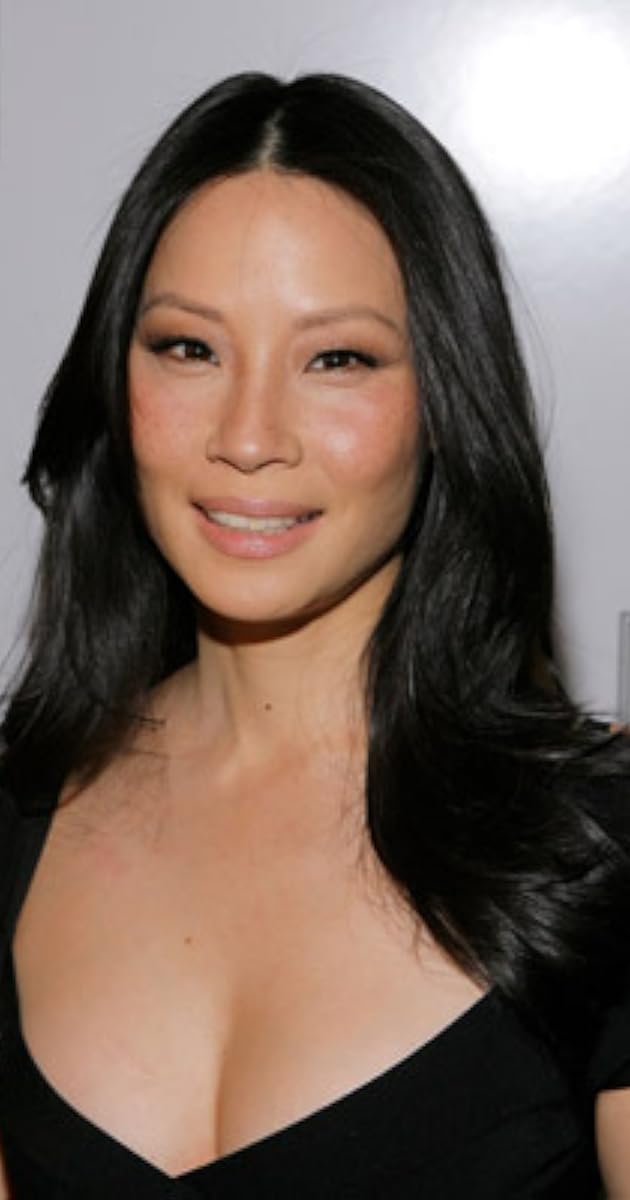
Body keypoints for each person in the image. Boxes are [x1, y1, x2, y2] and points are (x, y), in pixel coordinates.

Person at [0, 71, 629, 1199]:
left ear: (445, 398)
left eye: (337, 358)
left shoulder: (600, 847)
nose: (249, 437)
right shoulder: (14, 814)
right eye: (189, 348)